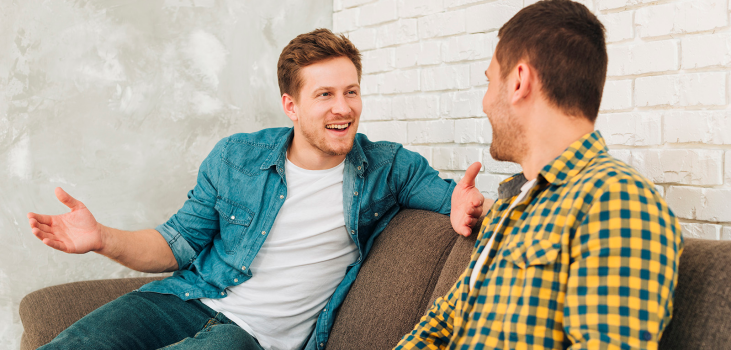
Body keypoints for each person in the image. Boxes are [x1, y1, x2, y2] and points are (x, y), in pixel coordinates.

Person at [27, 28, 488, 350]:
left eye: (351, 91)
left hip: (250, 337)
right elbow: (177, 244)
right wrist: (101, 238)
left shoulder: (386, 166)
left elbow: (448, 196)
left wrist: (462, 203)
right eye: (324, 94)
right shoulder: (236, 158)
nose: (343, 108)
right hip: (187, 298)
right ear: (291, 105)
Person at [395, 1, 683, 349]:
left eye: (490, 83)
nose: (485, 103)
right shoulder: (510, 206)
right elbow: (444, 321)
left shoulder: (617, 202)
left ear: (518, 82)